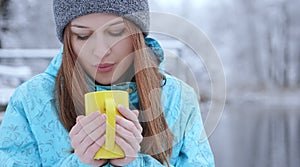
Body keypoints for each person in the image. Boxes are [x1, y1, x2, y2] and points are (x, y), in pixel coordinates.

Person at [0, 0, 215, 166]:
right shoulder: (30, 100)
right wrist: (78, 163)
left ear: (137, 34)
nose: (101, 51)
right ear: (68, 38)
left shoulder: (180, 98)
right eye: (83, 36)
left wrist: (136, 163)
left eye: (116, 32)